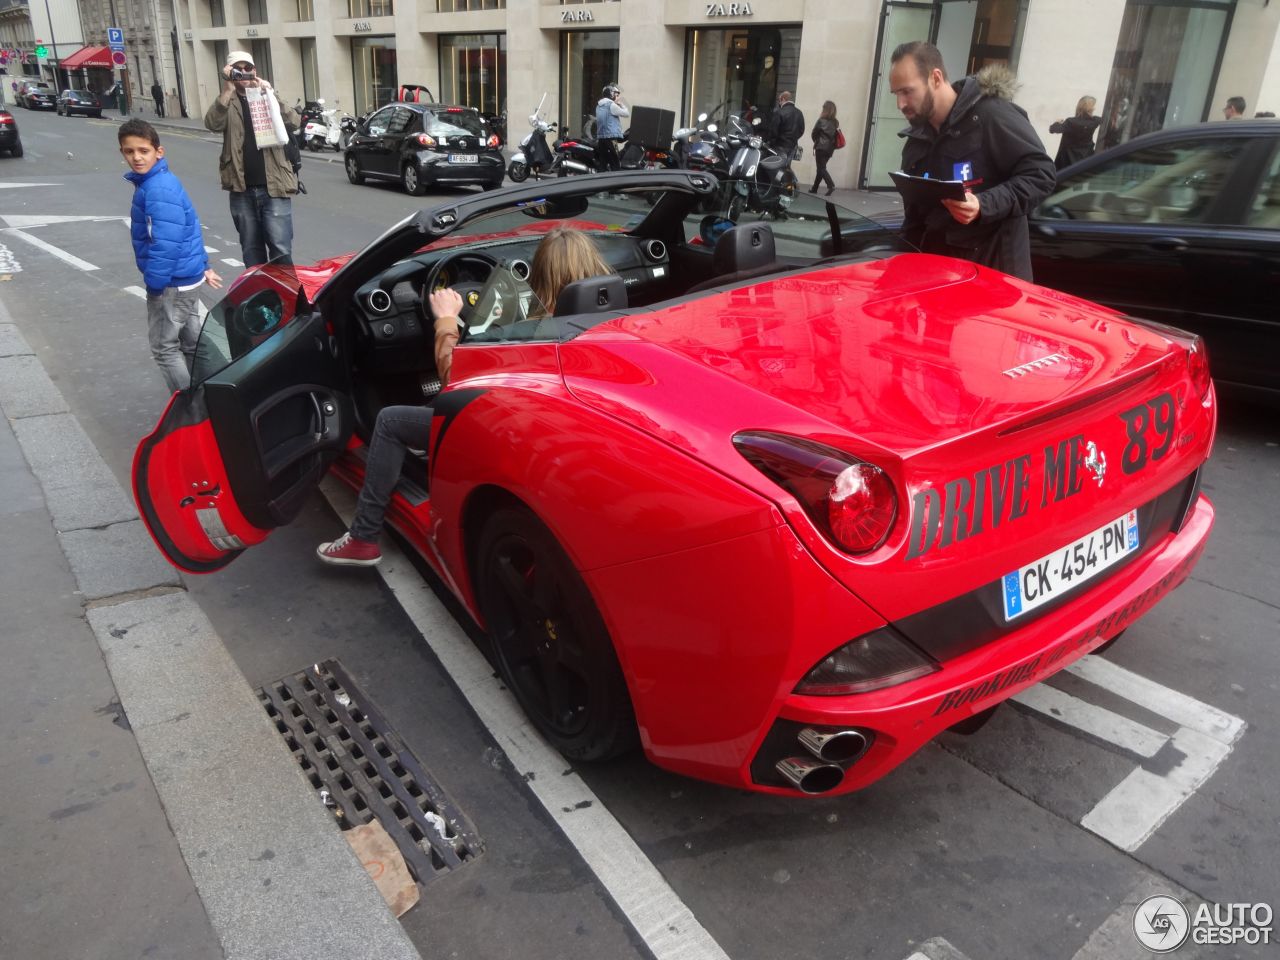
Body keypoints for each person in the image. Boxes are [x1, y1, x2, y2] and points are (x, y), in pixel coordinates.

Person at [316, 226, 614, 566]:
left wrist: (445, 320)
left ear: (542, 270)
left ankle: (362, 537)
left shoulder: (535, 330)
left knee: (389, 421)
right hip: (570, 425)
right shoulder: (613, 315)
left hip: (508, 427)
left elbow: (455, 378)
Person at [889, 40, 1055, 282]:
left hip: (994, 286)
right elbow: (914, 221)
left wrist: (982, 204)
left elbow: (1041, 175)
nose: (900, 104)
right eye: (896, 94)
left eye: (907, 91)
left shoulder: (992, 116)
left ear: (935, 78)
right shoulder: (916, 140)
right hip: (938, 284)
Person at [118, 119, 223, 393]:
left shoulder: (157, 188)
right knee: (192, 343)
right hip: (185, 277)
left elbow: (167, 242)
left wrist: (155, 284)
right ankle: (214, 396)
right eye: (130, 152)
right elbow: (189, 227)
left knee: (164, 348)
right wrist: (204, 265)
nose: (137, 157)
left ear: (158, 152)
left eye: (143, 150)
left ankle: (191, 410)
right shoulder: (160, 181)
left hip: (172, 282)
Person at [204, 50, 300, 267]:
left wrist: (270, 94)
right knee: (251, 250)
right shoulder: (228, 101)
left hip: (275, 186)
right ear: (230, 73)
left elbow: (294, 121)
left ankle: (286, 300)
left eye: (249, 68)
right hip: (241, 189)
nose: (245, 73)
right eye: (239, 69)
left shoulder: (266, 96)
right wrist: (227, 90)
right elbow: (212, 124)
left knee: (281, 249)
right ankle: (259, 298)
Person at [1049, 96, 1101, 170]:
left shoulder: (1070, 122)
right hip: (1086, 160)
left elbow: (1052, 129)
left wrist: (1057, 122)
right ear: (1091, 108)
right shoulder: (1095, 121)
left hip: (1067, 162)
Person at [594, 83, 629, 172]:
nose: (617, 97)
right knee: (615, 164)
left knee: (603, 164)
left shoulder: (599, 106)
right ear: (611, 94)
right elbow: (626, 114)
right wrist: (620, 104)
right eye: (616, 95)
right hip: (611, 138)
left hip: (601, 138)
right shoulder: (611, 105)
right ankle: (615, 183)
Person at [809, 100, 839, 195]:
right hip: (830, 150)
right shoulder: (835, 122)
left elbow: (814, 133)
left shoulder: (821, 120)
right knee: (821, 169)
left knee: (821, 169)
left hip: (821, 148)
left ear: (825, 109)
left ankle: (831, 185)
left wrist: (817, 142)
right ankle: (814, 188)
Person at [767, 91, 805, 162]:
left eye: (779, 100)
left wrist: (771, 143)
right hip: (793, 145)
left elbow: (773, 130)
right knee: (787, 166)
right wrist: (793, 138)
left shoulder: (779, 112)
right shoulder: (799, 113)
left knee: (778, 166)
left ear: (783, 99)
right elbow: (801, 130)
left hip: (780, 145)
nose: (779, 103)